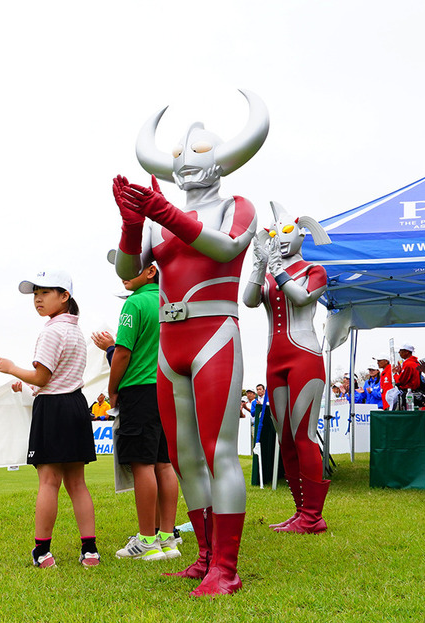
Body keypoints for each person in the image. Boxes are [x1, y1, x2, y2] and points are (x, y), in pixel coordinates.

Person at [112, 91, 268, 596]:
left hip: (214, 335)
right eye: (180, 156)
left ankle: (227, 565)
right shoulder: (161, 218)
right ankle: (203, 556)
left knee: (217, 450)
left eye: (198, 154)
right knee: (183, 458)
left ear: (221, 163)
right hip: (172, 342)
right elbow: (130, 269)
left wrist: (160, 211)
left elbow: (224, 246)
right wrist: (134, 221)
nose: (185, 163)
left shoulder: (236, 206)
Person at [0, 269, 99, 568]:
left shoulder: (52, 330)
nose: (38, 299)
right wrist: (26, 384)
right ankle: (90, 551)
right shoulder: (75, 330)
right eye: (35, 294)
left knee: (49, 482)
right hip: (76, 405)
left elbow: (42, 377)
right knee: (77, 483)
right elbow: (54, 379)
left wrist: (12, 368)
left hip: (53, 410)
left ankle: (42, 551)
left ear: (64, 296)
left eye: (45, 293)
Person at [243, 201, 332, 535]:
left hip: (304, 355)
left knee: (303, 434)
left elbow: (302, 298)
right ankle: (300, 511)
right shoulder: (270, 271)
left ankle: (313, 515)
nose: (279, 237)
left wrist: (277, 269)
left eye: (286, 231)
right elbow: (250, 300)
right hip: (274, 358)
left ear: (300, 234)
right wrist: (258, 263)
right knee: (286, 438)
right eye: (275, 232)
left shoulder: (314, 270)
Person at [102, 263, 180, 562]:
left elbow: (122, 351)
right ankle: (167, 537)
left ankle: (147, 539)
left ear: (150, 270)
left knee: (142, 464)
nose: (123, 273)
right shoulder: (167, 299)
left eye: (130, 267)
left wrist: (112, 388)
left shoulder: (134, 303)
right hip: (167, 388)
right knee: (163, 462)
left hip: (139, 390)